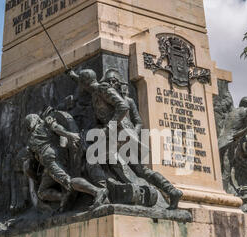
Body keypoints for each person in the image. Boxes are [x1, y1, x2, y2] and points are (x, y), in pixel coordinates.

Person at [69, 68, 183, 209]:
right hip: (121, 135)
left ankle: (101, 194)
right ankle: (172, 191)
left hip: (119, 134)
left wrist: (110, 127)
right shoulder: (95, 91)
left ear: (84, 83)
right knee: (141, 171)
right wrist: (74, 76)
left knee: (92, 160)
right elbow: (87, 85)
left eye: (81, 83)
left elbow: (122, 107)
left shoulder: (103, 89)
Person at [24, 112, 108, 209]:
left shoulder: (45, 124)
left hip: (52, 159)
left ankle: (97, 191)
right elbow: (29, 166)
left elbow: (56, 128)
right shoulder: (32, 140)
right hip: (49, 164)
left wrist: (70, 135)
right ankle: (63, 197)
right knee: (41, 192)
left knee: (68, 181)